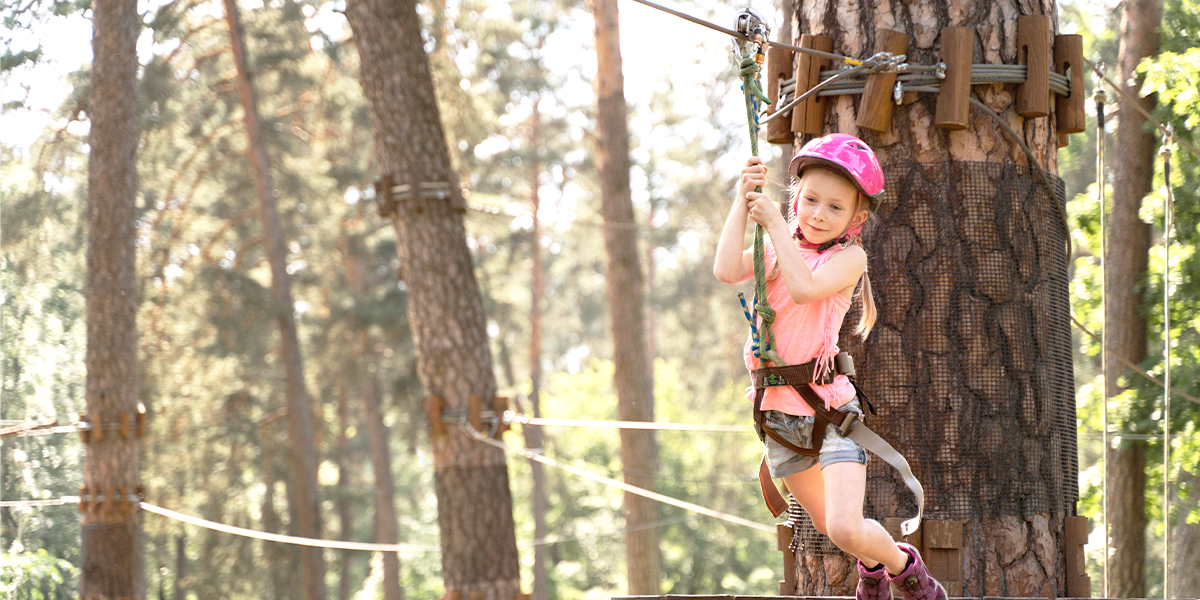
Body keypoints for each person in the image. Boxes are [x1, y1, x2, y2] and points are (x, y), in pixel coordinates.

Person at [713, 133, 946, 600]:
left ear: (856, 218)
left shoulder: (848, 258)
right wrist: (742, 202)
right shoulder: (778, 249)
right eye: (811, 200)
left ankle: (904, 569)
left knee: (844, 524)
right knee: (830, 527)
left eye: (834, 208)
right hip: (779, 418)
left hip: (829, 413)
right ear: (796, 196)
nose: (817, 214)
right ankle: (872, 567)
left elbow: (803, 289)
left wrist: (776, 225)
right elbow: (724, 269)